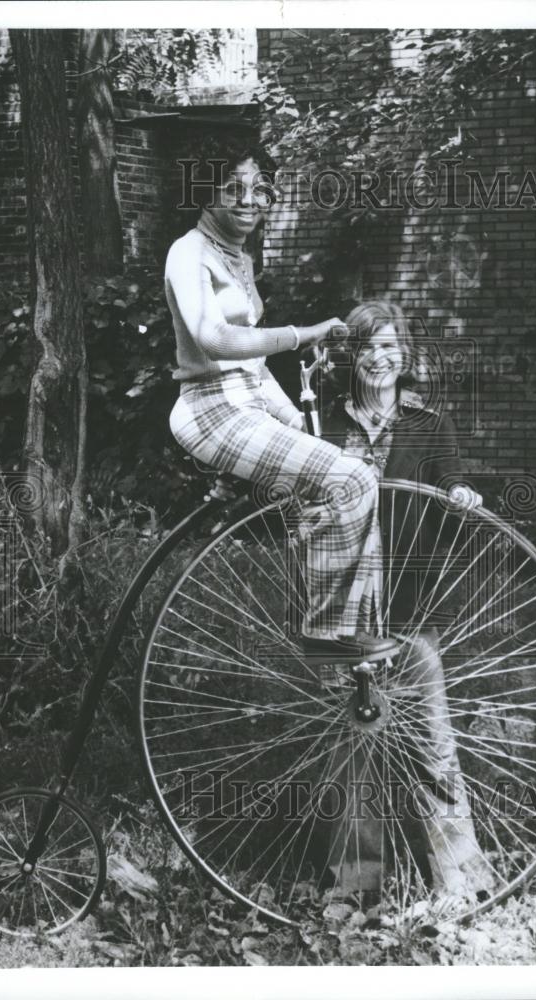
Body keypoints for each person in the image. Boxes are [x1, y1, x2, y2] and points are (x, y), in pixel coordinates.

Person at [165, 136, 397, 661]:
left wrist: (292, 417)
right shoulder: (189, 253)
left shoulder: (239, 257)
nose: (249, 200)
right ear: (205, 192)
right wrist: (302, 333)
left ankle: (354, 638)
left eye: (261, 190)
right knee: (351, 477)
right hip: (210, 410)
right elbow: (214, 339)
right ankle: (325, 634)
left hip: (244, 403)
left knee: (352, 477)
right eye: (233, 188)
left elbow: (251, 363)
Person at [317, 300, 495, 904]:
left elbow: (448, 486)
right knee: (353, 748)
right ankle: (352, 887)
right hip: (343, 605)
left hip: (409, 601)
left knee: (431, 739)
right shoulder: (322, 427)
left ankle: (460, 879)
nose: (380, 358)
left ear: (406, 356)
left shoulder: (430, 425)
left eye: (391, 346)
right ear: (352, 358)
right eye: (368, 347)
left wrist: (460, 497)